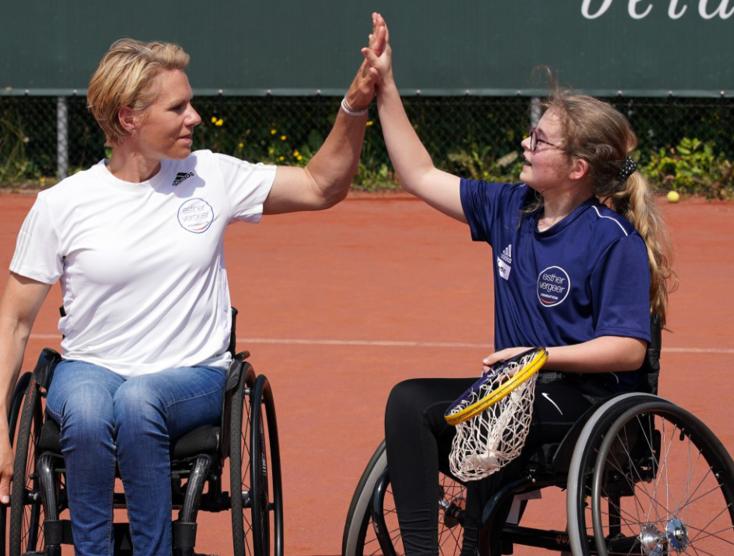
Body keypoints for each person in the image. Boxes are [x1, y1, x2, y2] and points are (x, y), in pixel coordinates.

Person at [0, 17, 385, 556]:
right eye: (177, 107)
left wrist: (354, 104)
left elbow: (323, 185)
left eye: (190, 103)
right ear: (129, 117)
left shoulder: (212, 175)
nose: (195, 117)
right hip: (90, 367)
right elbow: (14, 320)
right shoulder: (62, 203)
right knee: (85, 413)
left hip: (193, 375)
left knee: (138, 403)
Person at [361, 13, 673, 554]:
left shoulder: (613, 240)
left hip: (585, 404)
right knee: (410, 406)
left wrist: (541, 357)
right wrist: (385, 87)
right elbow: (419, 174)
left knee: (459, 410)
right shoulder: (512, 207)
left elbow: (627, 349)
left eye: (540, 139)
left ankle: (479, 530)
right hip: (515, 393)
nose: (526, 144)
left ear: (577, 168)